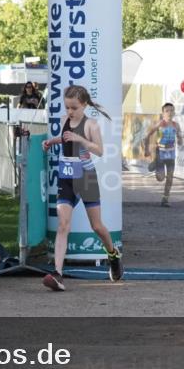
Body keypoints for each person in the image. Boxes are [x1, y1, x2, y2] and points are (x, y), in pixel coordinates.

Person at [40, 85, 123, 291]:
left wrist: (80, 139)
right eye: (67, 107)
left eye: (74, 108)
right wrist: (52, 141)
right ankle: (58, 274)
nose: (70, 112)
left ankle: (113, 253)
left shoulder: (91, 125)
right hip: (66, 176)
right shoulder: (63, 120)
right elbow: (66, 139)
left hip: (86, 178)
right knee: (63, 224)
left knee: (97, 226)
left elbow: (100, 150)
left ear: (84, 105)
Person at [144, 103, 184, 207]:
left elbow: (180, 140)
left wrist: (180, 140)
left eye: (171, 110)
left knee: (170, 177)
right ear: (163, 113)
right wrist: (147, 150)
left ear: (174, 112)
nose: (169, 113)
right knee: (160, 178)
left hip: (171, 153)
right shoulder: (160, 124)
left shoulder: (176, 125)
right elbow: (147, 136)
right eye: (167, 111)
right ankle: (155, 163)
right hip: (160, 152)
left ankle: (165, 199)